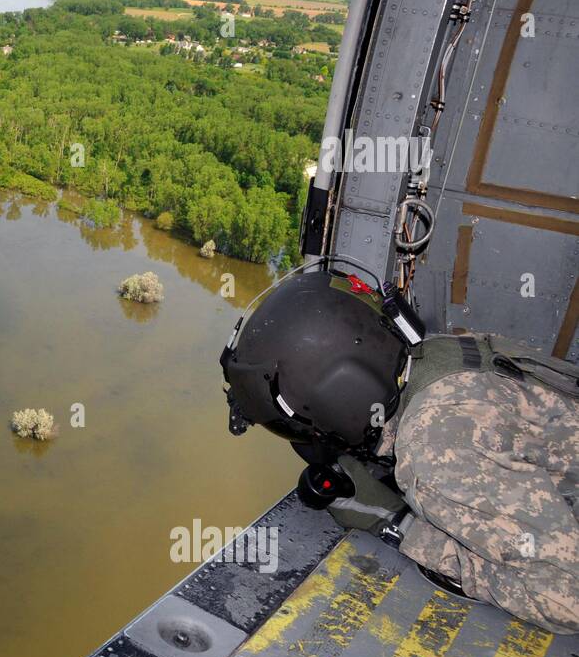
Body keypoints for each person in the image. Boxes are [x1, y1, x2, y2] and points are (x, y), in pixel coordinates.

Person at [220, 267, 579, 633]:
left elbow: (568, 599)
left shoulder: (430, 455)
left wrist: (398, 524)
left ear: (343, 395)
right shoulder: (439, 353)